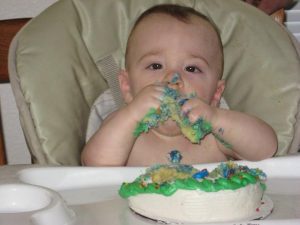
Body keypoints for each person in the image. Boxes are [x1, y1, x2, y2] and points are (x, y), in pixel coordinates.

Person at [81, 4, 277, 166]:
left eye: (192, 69)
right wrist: (132, 114)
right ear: (126, 86)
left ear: (216, 94)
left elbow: (266, 150)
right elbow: (95, 166)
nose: (173, 78)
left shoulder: (214, 136)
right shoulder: (123, 128)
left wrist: (216, 118)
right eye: (156, 65)